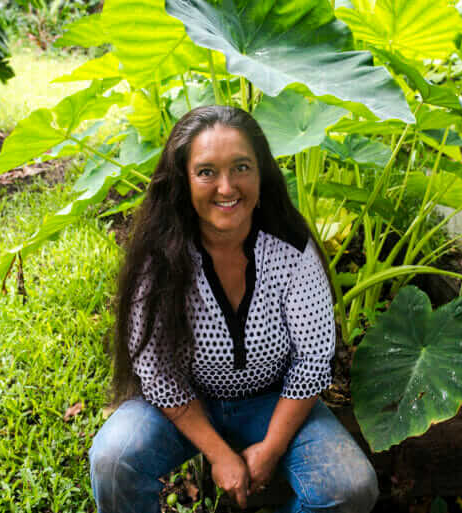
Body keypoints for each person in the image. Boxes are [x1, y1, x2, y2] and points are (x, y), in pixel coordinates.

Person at [88, 105, 378, 513]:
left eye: (241, 167)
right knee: (113, 459)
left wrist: (272, 447)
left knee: (351, 487)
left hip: (273, 402)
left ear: (261, 174)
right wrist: (219, 454)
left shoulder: (292, 249)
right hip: (186, 405)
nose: (226, 188)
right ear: (183, 180)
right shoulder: (159, 256)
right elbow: (155, 371)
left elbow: (313, 360)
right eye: (206, 172)